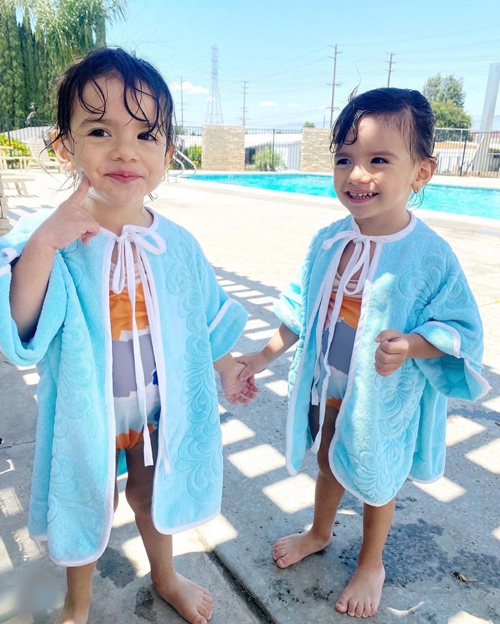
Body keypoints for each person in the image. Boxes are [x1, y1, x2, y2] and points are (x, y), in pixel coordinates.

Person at [0, 48, 257, 624]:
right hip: (89, 412)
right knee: (93, 497)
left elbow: (201, 320)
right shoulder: (49, 237)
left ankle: (166, 576)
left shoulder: (179, 244)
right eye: (99, 130)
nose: (124, 150)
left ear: (167, 151)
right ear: (65, 145)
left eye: (145, 134)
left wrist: (228, 365)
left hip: (157, 407)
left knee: (149, 491)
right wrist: (43, 245)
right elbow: (20, 331)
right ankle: (78, 604)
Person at [237, 88, 489, 619]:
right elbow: (300, 308)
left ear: (421, 172)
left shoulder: (429, 254)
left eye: (378, 160)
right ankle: (320, 531)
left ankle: (371, 561)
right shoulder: (329, 240)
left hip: (384, 390)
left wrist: (413, 346)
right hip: (331, 378)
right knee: (330, 452)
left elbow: (461, 325)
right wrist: (260, 357)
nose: (357, 174)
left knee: (377, 471)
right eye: (345, 159)